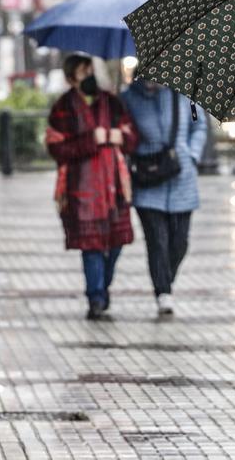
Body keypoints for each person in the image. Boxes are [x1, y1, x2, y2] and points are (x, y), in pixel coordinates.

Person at [46, 55, 139, 320]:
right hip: (81, 190)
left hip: (115, 187)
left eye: (90, 70)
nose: (88, 76)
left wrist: (115, 136)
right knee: (91, 246)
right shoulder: (62, 108)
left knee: (117, 242)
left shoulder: (111, 102)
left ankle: (103, 285)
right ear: (70, 78)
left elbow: (132, 138)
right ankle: (95, 296)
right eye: (82, 72)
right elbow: (56, 147)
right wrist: (90, 140)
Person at [121, 80, 207, 316]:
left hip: (182, 177)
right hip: (148, 180)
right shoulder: (128, 98)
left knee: (180, 242)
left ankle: (165, 279)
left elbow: (199, 125)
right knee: (157, 240)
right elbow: (124, 133)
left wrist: (191, 155)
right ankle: (163, 292)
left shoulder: (187, 96)